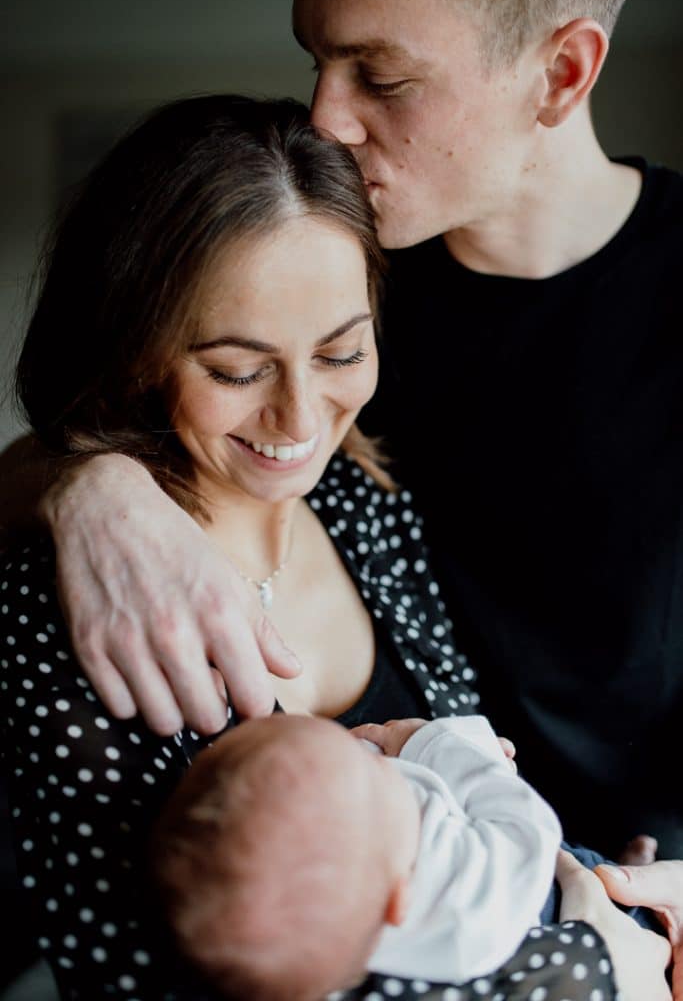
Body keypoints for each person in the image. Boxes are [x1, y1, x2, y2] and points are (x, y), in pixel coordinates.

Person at [2, 93, 658, 1001]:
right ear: (135, 351)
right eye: (236, 369)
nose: (300, 421)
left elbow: (465, 815)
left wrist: (602, 891)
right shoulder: (72, 610)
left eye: (343, 353)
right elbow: (146, 983)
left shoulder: (361, 501)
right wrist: (590, 965)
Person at [152, 712, 563, 997]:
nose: (383, 765)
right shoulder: (464, 895)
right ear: (400, 898)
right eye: (380, 776)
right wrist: (431, 743)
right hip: (563, 898)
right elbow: (528, 827)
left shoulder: (325, 942)